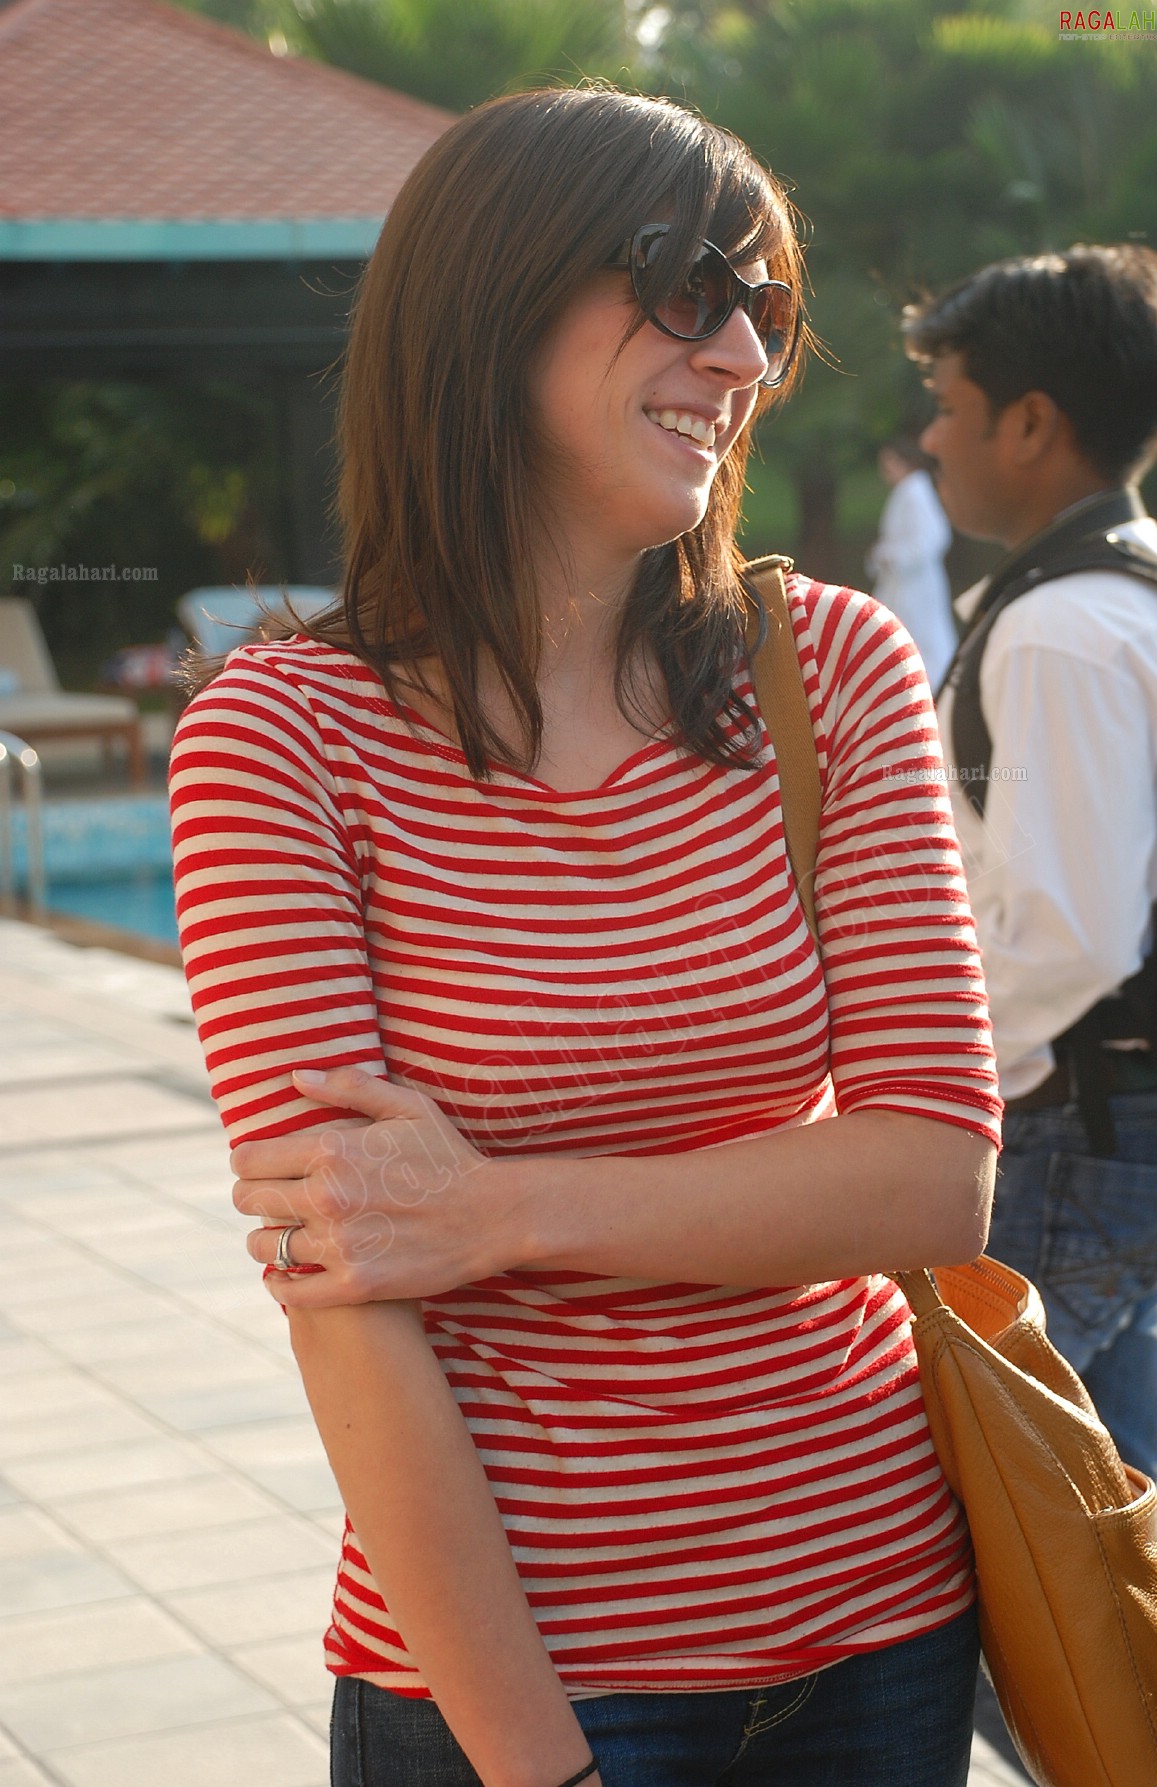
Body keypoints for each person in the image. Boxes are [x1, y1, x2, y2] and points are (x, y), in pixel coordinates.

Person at [170, 87, 1000, 1787]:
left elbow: (927, 1175)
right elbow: (351, 1302)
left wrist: (488, 1209)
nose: (738, 354)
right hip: (513, 1679)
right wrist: (535, 1761)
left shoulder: (828, 671)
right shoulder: (282, 738)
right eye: (685, 284)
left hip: (882, 1632)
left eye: (766, 311)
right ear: (491, 294)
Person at [903, 245, 1157, 1482]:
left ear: (1029, 423)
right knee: (1097, 1513)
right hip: (1121, 1116)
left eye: (948, 405)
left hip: (1062, 1126)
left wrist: (945, 1084)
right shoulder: (1140, 584)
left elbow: (1068, 936)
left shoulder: (1059, 631)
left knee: (1005, 1527)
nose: (928, 439)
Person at [865, 437, 957, 689]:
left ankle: (935, 690)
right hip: (904, 583)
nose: (886, 470)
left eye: (890, 462)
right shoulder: (910, 490)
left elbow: (930, 540)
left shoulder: (914, 491)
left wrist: (890, 555)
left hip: (915, 585)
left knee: (924, 638)